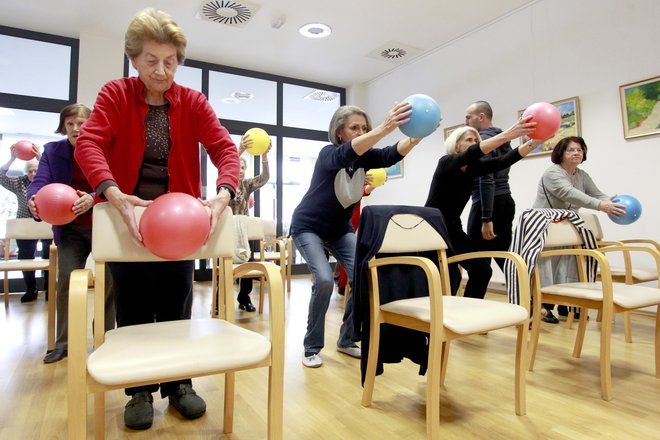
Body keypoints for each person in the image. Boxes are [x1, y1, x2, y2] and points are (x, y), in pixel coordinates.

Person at [74, 8, 240, 431]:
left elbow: (225, 150)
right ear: (134, 59)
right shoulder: (115, 93)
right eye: (151, 61)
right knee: (133, 306)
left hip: (179, 221)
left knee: (176, 305)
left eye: (170, 61)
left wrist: (223, 195)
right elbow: (89, 145)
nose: (162, 70)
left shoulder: (193, 102)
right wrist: (111, 191)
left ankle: (179, 384)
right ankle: (139, 389)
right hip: (128, 213)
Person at [290, 102, 423, 369]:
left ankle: (347, 339)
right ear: (340, 133)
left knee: (363, 275)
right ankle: (311, 346)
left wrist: (415, 137)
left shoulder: (365, 158)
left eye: (364, 127)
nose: (361, 131)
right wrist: (386, 127)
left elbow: (388, 155)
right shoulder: (328, 153)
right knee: (325, 281)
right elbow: (345, 156)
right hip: (308, 227)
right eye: (354, 128)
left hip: (339, 230)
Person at [26, 103, 115, 364]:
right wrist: (34, 200)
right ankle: (63, 342)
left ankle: (105, 336)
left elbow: (114, 181)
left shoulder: (104, 148)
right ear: (63, 127)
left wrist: (92, 197)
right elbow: (39, 183)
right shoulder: (53, 151)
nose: (76, 129)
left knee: (110, 281)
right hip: (70, 227)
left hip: (103, 222)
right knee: (65, 277)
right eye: (70, 124)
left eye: (82, 123)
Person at [424, 120, 542, 299]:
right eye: (469, 140)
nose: (474, 143)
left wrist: (533, 143)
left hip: (453, 228)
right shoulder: (446, 163)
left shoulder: (472, 168)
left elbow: (503, 161)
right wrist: (509, 134)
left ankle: (469, 315)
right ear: (456, 146)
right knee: (446, 277)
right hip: (433, 228)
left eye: (475, 139)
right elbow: (474, 152)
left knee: (482, 270)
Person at [532, 136, 625, 323]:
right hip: (547, 226)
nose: (576, 153)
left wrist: (612, 203)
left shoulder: (581, 175)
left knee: (569, 264)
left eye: (580, 150)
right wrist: (600, 205)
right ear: (561, 153)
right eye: (571, 150)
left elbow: (596, 193)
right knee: (547, 268)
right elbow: (570, 194)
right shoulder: (553, 173)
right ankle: (542, 306)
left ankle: (567, 306)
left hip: (568, 226)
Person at [465, 101, 516, 271]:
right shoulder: (501, 138)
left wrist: (486, 218)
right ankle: (524, 296)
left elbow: (486, 178)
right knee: (504, 257)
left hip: (487, 203)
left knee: (477, 262)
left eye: (468, 117)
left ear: (481, 117)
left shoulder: (485, 141)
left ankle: (474, 298)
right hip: (505, 201)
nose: (466, 122)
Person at [0, 142, 52, 303]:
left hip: (47, 223)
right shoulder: (20, 182)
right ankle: (31, 289)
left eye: (36, 170)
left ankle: (49, 289)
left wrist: (40, 158)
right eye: (30, 171)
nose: (33, 173)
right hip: (25, 225)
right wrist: (12, 158)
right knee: (25, 257)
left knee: (48, 256)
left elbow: (55, 174)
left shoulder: (47, 181)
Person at [230, 134, 271, 312]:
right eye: (238, 166)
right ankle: (218, 300)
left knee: (249, 266)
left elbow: (264, 178)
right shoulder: (226, 182)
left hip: (244, 233)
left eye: (243, 167)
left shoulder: (247, 185)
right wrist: (239, 151)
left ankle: (244, 298)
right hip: (226, 234)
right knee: (224, 268)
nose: (240, 170)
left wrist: (264, 157)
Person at [336, 174, 377, 296]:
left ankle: (344, 285)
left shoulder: (361, 173)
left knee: (348, 252)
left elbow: (365, 190)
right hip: (337, 217)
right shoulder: (341, 174)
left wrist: (375, 183)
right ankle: (341, 284)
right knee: (345, 251)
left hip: (353, 219)